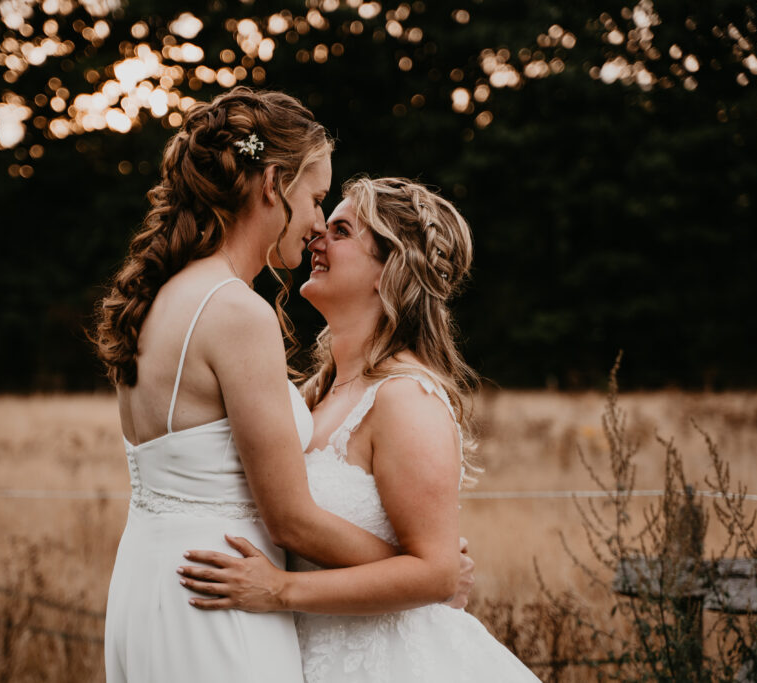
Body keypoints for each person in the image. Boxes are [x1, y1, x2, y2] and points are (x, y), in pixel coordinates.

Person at [93, 89, 471, 683]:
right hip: (220, 596)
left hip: (154, 580)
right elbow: (288, 518)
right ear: (273, 184)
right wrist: (421, 569)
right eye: (318, 199)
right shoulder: (236, 311)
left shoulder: (162, 299)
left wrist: (428, 569)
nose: (318, 225)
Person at [178, 177, 541, 682]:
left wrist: (280, 590)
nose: (315, 240)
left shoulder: (405, 399)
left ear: (388, 270)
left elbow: (435, 572)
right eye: (323, 227)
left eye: (341, 231)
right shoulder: (313, 397)